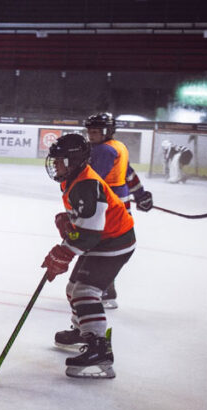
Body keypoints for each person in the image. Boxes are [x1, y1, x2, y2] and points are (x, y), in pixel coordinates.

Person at [41, 133, 136, 379]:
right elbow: (86, 223)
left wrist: (64, 252)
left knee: (85, 291)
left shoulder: (86, 184)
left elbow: (90, 234)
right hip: (103, 239)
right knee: (73, 288)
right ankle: (84, 331)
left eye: (60, 160)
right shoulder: (72, 178)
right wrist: (70, 221)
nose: (55, 165)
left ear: (73, 161)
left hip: (114, 241)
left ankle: (99, 349)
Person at [84, 112, 151, 309]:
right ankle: (102, 287)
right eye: (90, 131)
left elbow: (93, 180)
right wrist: (141, 195)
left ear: (107, 131)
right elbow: (129, 174)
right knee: (106, 246)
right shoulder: (118, 146)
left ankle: (103, 289)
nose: (91, 135)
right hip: (121, 204)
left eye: (96, 132)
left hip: (107, 206)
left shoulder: (103, 150)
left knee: (101, 246)